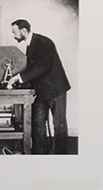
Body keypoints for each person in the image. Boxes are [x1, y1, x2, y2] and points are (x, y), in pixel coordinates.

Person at [9, 18, 71, 155]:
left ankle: (61, 156)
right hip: (42, 91)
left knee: (59, 125)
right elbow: (32, 68)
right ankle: (39, 153)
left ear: (23, 30)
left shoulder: (43, 42)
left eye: (14, 32)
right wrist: (16, 78)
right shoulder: (30, 45)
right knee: (36, 122)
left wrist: (19, 78)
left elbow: (42, 67)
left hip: (56, 89)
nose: (13, 36)